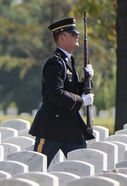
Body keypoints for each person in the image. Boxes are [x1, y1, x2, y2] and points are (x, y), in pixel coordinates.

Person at [28, 17, 95, 164]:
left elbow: (72, 89)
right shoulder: (55, 63)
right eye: (73, 34)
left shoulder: (68, 61)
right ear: (62, 38)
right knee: (36, 168)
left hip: (70, 128)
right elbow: (56, 94)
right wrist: (81, 101)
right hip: (52, 127)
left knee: (83, 167)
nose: (77, 36)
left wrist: (86, 80)